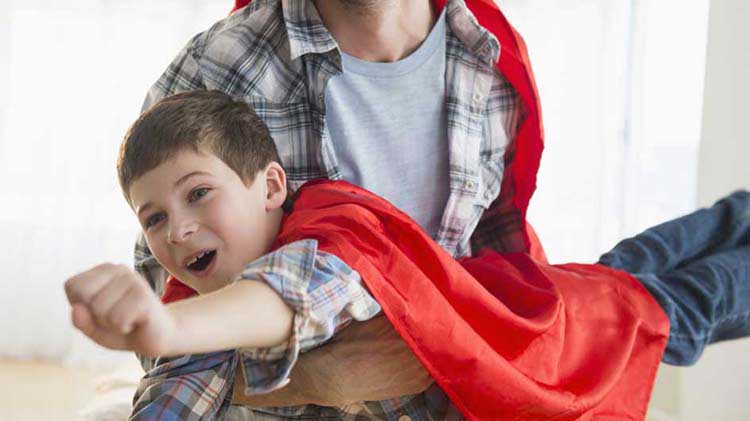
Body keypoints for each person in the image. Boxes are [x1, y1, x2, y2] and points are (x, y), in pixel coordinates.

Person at [65, 91, 749, 420]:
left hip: (551, 342)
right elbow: (179, 390)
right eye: (154, 217)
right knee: (633, 262)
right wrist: (170, 338)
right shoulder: (201, 311)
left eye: (198, 195)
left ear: (272, 185)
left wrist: (162, 326)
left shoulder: (333, 236)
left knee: (689, 300)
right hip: (535, 292)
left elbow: (292, 296)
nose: (177, 230)